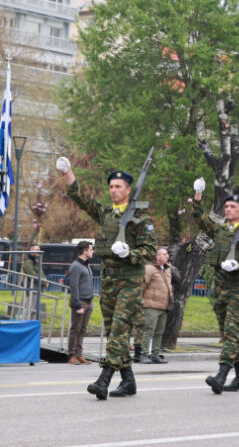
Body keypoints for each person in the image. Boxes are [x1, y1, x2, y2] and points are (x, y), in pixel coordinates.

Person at [59, 156, 157, 400]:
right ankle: (129, 382)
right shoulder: (107, 214)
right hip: (109, 280)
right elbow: (82, 199)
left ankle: (103, 380)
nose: (113, 190)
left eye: (118, 187)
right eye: (111, 186)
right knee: (115, 334)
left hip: (130, 280)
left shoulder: (141, 217)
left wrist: (129, 253)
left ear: (128, 190)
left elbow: (150, 251)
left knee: (120, 330)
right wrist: (68, 172)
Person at [191, 180, 239, 393]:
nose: (228, 209)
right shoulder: (220, 229)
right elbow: (201, 220)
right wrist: (198, 195)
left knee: (231, 332)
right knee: (229, 334)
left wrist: (238, 267)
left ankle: (221, 376)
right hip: (221, 288)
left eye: (233, 207)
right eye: (227, 206)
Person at [140, 248, 179, 364]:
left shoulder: (167, 269)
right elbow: (142, 286)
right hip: (151, 305)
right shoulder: (149, 268)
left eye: (167, 254)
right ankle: (144, 354)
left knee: (159, 332)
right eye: (164, 254)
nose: (167, 256)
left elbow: (176, 281)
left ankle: (155, 354)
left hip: (164, 306)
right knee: (149, 330)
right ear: (157, 257)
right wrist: (140, 301)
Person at [66, 241, 95, 365]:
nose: (93, 251)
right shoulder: (76, 266)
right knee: (75, 329)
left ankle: (79, 354)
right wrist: (78, 305)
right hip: (80, 302)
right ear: (85, 251)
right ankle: (72, 355)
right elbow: (73, 286)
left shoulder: (86, 265)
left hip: (88, 302)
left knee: (82, 330)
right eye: (91, 249)